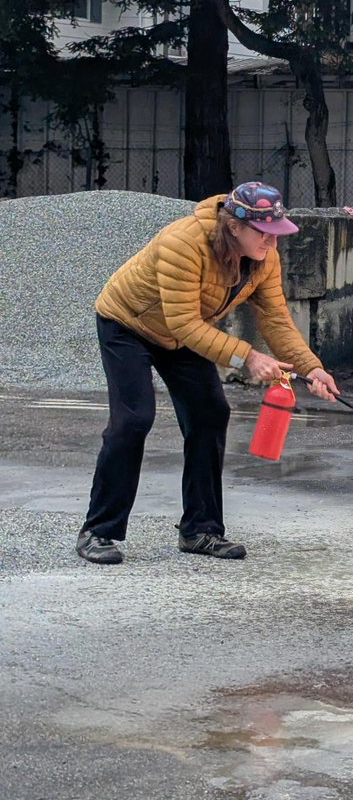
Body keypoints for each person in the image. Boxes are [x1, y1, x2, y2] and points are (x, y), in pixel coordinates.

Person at [76, 182, 339, 565]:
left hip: (183, 333)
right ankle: (97, 531)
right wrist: (246, 356)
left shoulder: (265, 256)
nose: (272, 241)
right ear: (235, 227)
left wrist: (312, 367)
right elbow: (182, 323)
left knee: (210, 414)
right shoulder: (182, 242)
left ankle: (201, 530)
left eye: (277, 233)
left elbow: (276, 318)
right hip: (127, 324)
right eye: (264, 233)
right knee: (133, 419)